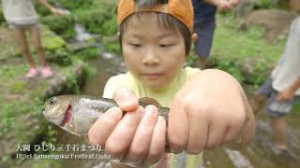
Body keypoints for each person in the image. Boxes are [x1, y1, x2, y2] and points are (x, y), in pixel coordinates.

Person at [88, 0, 255, 167]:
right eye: (136, 45)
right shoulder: (117, 87)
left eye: (165, 44)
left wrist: (224, 80)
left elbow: (240, 142)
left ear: (189, 46)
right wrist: (124, 160)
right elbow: (114, 159)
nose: (150, 59)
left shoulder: (196, 82)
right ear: (120, 43)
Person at [252, 16, 300, 154]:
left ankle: (281, 149)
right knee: (259, 96)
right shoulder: (297, 19)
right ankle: (243, 123)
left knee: (276, 115)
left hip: (291, 84)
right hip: (279, 74)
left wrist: (291, 89)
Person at [1, 0, 61, 78]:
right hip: (14, 22)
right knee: (24, 48)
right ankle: (33, 68)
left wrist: (51, 8)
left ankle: (45, 67)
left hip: (31, 20)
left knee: (38, 46)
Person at [193, 0, 240, 69]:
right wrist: (218, 2)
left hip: (207, 20)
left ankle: (198, 76)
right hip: (186, 15)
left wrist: (233, 2)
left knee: (203, 54)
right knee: (180, 50)